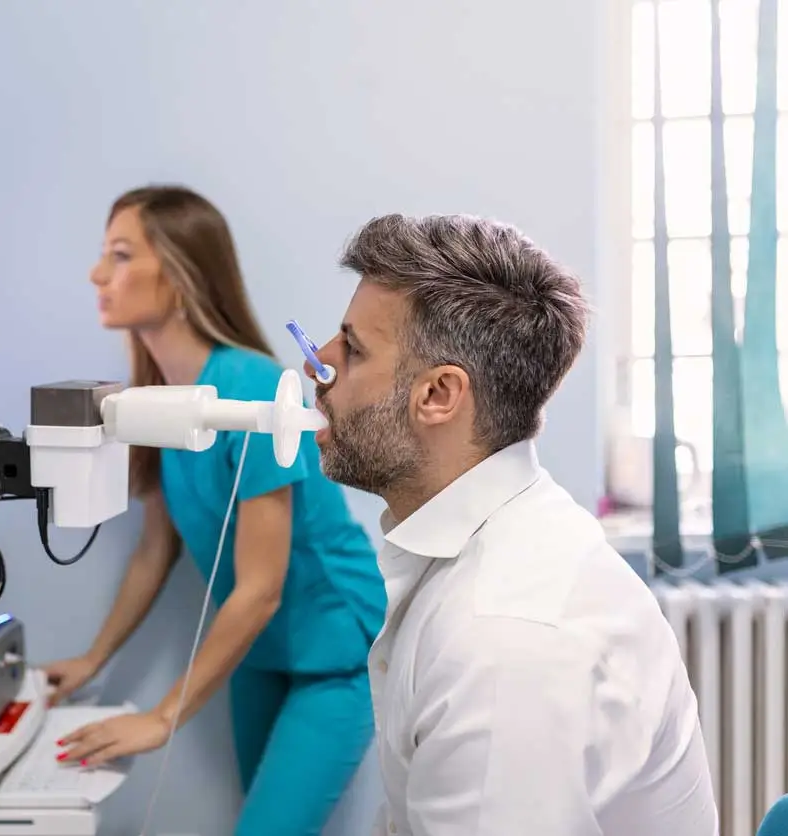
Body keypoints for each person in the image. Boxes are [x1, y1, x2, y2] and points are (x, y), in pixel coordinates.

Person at [307, 213, 719, 836]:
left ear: (440, 395)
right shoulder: (494, 536)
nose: (320, 364)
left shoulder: (504, 644)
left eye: (353, 348)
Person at [43, 185, 388, 835]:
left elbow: (260, 590)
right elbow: (155, 549)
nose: (96, 273)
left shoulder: (252, 391)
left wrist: (161, 716)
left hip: (334, 649)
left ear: (179, 277)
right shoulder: (162, 400)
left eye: (120, 255)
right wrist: (93, 659)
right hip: (253, 653)